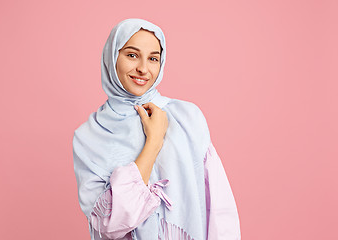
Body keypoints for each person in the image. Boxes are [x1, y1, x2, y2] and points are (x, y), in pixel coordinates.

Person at [73, 18, 241, 240]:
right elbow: (109, 223)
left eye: (153, 58)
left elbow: (219, 208)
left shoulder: (186, 117)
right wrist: (153, 142)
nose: (143, 68)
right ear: (112, 56)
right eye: (132, 55)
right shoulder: (89, 136)